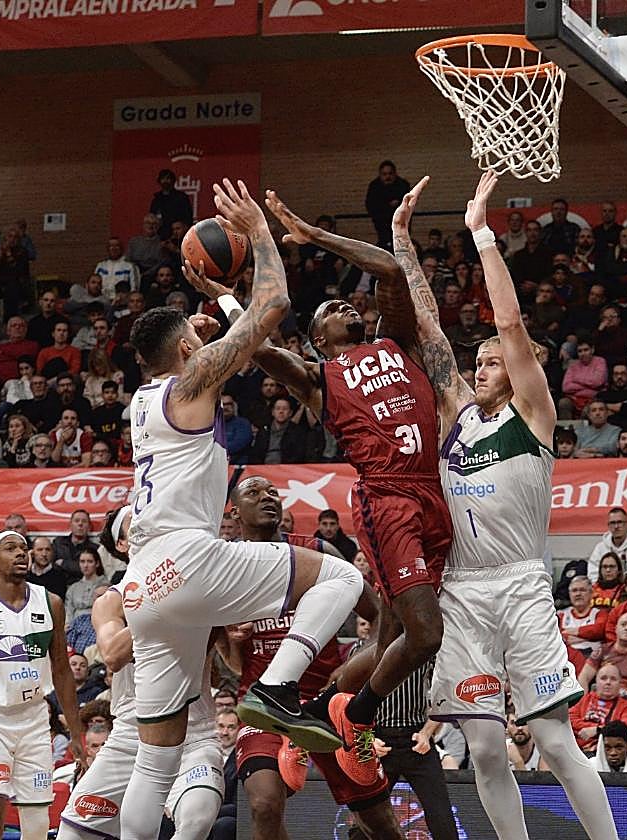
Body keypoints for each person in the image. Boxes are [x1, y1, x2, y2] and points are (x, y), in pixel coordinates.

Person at [118, 180, 363, 840]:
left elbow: (203, 352)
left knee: (155, 757)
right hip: (189, 561)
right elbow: (275, 305)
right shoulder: (194, 379)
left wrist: (205, 323)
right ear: (188, 352)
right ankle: (278, 690)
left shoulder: (144, 399)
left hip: (143, 585)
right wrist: (256, 231)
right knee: (343, 579)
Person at [195, 183, 452, 784]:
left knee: (396, 637)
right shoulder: (319, 379)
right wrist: (233, 304)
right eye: (329, 310)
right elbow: (258, 348)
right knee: (423, 633)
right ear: (317, 338)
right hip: (388, 499)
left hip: (431, 492)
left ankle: (324, 712)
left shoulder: (398, 341)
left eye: (345, 304)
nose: (342, 306)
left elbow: (388, 267)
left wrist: (313, 236)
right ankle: (350, 719)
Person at [392, 172, 617, 840]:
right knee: (485, 748)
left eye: (492, 361)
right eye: (481, 361)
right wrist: (402, 241)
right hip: (462, 591)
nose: (481, 367)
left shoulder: (533, 414)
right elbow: (427, 327)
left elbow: (511, 321)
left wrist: (482, 234)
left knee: (552, 739)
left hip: (519, 583)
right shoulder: (458, 414)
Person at [223, 475, 400, 840]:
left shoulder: (318, 551)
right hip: (264, 708)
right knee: (264, 805)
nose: (268, 497)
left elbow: (380, 615)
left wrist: (353, 666)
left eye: (273, 492)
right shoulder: (224, 566)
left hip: (327, 702)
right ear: (234, 511)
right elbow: (225, 661)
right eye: (254, 493)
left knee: (379, 822)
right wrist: (232, 641)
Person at [57, 508, 224, 840]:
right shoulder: (111, 600)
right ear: (122, 544)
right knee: (71, 834)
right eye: (136, 524)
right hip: (130, 737)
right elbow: (114, 655)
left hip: (194, 734)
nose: (149, 525)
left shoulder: (201, 589)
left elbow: (227, 666)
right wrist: (164, 602)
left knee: (197, 820)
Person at [0, 531, 84, 840]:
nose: (22, 553)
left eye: (24, 548)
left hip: (35, 720)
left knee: (37, 821)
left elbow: (62, 671)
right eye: (11, 549)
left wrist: (76, 732)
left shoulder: (51, 603)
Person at [568, 663, 627, 754]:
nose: (608, 682)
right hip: (577, 750)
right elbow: (569, 719)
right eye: (603, 678)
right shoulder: (584, 700)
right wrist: (593, 728)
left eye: (613, 679)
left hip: (606, 753)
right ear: (596, 681)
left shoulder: (626, 707)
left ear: (620, 683)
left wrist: (598, 731)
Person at [364, 160, 410, 248]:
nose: (387, 177)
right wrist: (388, 206)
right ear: (380, 174)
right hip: (382, 224)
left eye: (390, 174)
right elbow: (370, 206)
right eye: (384, 174)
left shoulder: (403, 185)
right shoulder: (374, 187)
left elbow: (409, 204)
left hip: (401, 225)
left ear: (395, 174)